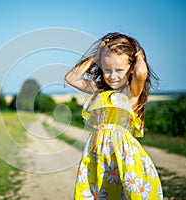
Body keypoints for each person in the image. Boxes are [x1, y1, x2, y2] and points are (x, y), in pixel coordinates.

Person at [65, 32, 163, 199]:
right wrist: (96, 57)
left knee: (126, 193)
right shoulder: (99, 90)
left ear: (130, 69)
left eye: (119, 70)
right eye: (107, 70)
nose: (113, 76)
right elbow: (71, 77)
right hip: (98, 157)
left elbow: (141, 74)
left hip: (124, 157)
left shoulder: (131, 93)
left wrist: (139, 56)